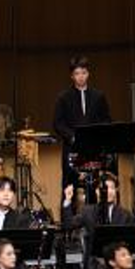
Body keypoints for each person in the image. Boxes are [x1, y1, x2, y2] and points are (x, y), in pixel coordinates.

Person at [52, 56, 112, 188]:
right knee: (70, 187)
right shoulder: (63, 97)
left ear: (88, 74)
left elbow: (107, 120)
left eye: (84, 73)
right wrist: (72, 137)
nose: (81, 77)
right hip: (72, 148)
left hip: (94, 148)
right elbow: (58, 123)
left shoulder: (99, 96)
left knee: (95, 186)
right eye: (77, 73)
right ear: (72, 76)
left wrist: (97, 135)